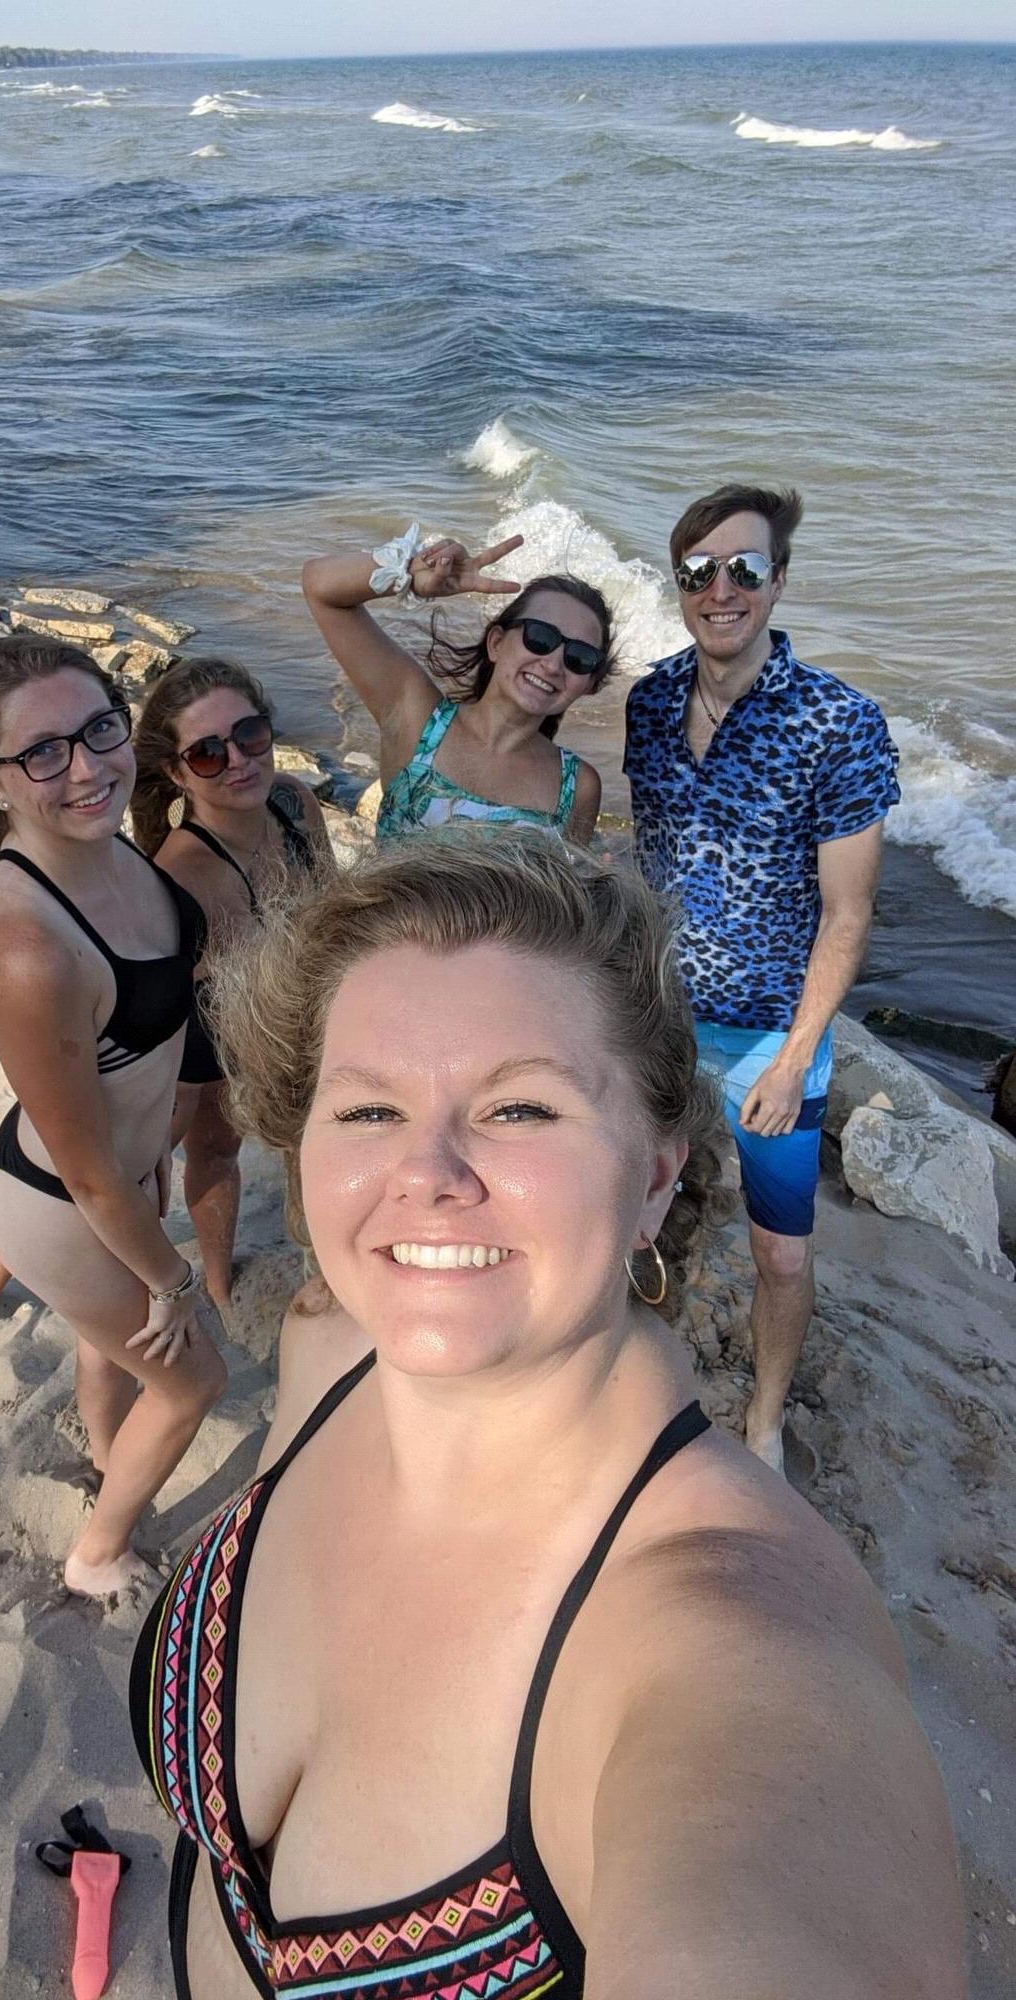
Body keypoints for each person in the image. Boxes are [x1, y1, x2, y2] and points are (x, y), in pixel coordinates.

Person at [130, 831, 961, 2000]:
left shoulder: (729, 1631)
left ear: (656, 1176)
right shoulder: (332, 1348)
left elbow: (771, 1872)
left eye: (519, 1107)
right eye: (368, 1108)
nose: (426, 1171)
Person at [0, 635, 225, 1597]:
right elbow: (86, 1170)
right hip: (65, 1206)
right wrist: (172, 1280)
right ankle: (99, 1553)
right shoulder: (29, 944)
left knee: (109, 1351)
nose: (88, 768)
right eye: (43, 752)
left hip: (119, 1179)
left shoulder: (109, 846)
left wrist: (160, 1149)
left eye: (100, 729)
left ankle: (107, 1454)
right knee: (195, 1382)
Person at [624, 485, 900, 1472]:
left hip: (776, 1039)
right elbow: (652, 858)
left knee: (781, 1249)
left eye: (744, 567)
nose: (722, 589)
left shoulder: (839, 722)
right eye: (699, 570)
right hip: (660, 1021)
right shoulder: (650, 701)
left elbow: (848, 913)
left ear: (779, 579)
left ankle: (768, 1419)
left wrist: (793, 1060)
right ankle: (633, 1384)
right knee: (637, 1215)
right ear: (679, 584)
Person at [131, 658, 333, 1310]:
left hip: (300, 1004)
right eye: (208, 753)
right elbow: (156, 1010)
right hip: (212, 1029)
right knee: (212, 1154)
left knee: (315, 1144)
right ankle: (217, 1282)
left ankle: (327, 1270)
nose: (239, 761)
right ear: (176, 772)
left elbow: (331, 906)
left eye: (250, 735)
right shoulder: (175, 878)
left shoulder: (294, 803)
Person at [301, 526, 609, 842]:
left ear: (588, 683)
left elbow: (562, 876)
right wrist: (410, 574)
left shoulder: (577, 786)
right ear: (496, 643)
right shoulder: (417, 719)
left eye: (579, 657)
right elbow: (320, 585)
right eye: (539, 638)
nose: (553, 665)